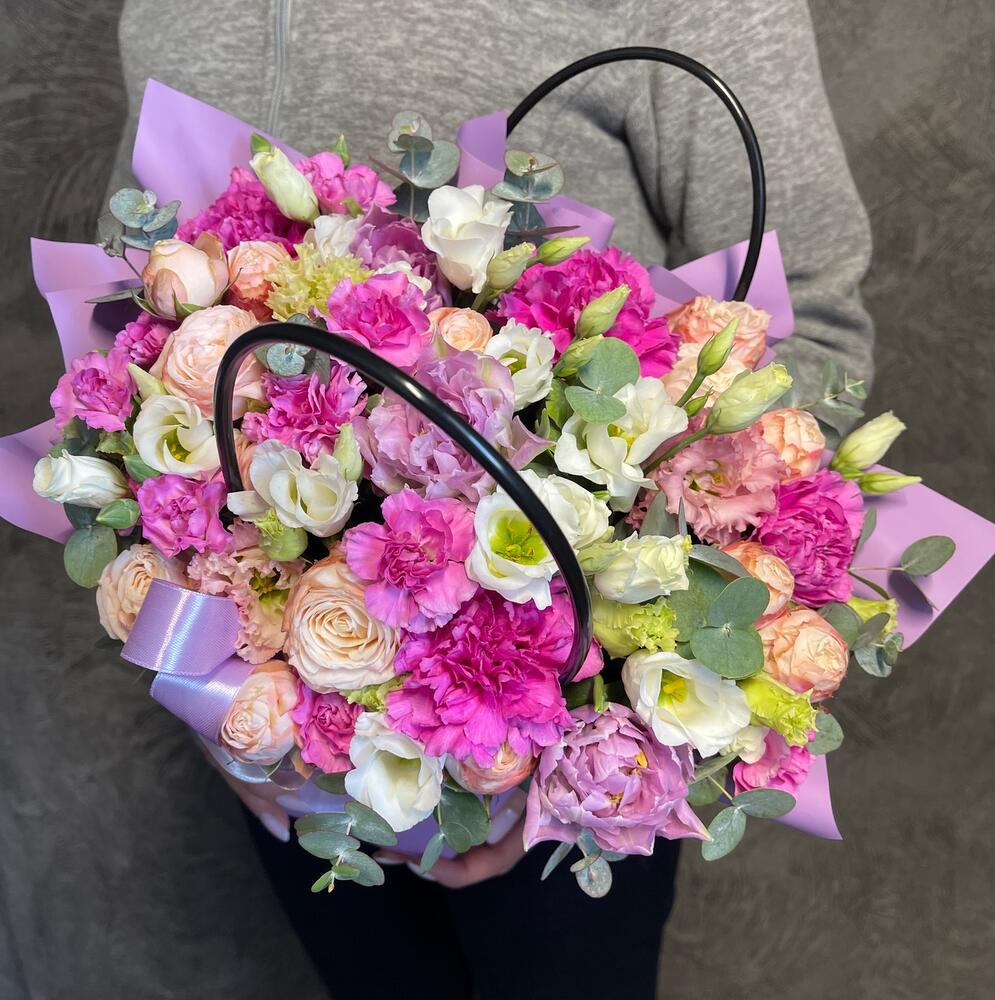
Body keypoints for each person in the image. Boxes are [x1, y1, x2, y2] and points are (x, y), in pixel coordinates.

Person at [107, 1, 874, 996]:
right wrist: (210, 689)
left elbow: (811, 317)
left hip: (566, 735)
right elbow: (135, 335)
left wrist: (583, 756)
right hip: (289, 750)